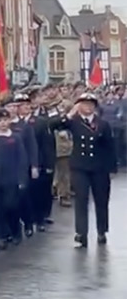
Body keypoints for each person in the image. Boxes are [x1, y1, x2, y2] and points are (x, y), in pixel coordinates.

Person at [52, 92, 118, 248]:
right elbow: (53, 125)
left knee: (101, 200)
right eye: (84, 104)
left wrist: (111, 167)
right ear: (78, 106)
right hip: (80, 166)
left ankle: (102, 230)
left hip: (99, 167)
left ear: (95, 107)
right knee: (81, 200)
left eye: (90, 104)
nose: (87, 107)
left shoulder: (102, 124)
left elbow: (110, 147)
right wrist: (69, 114)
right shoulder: (73, 122)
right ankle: (81, 233)